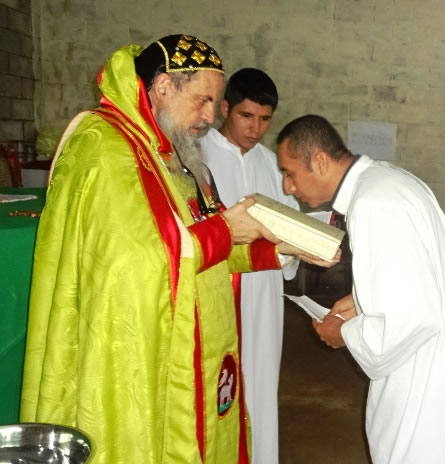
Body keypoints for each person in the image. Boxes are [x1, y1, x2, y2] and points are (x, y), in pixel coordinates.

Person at [20, 35, 335, 463]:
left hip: (190, 338)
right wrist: (225, 229)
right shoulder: (105, 146)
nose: (209, 117)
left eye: (214, 103)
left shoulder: (171, 153)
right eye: (203, 100)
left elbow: (200, 242)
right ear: (165, 86)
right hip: (137, 345)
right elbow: (131, 261)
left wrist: (278, 249)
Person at [277, 115, 445, 464]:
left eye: (290, 173)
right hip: (440, 362)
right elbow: (418, 278)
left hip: (425, 382)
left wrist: (344, 333)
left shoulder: (374, 203)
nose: (287, 187)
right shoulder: (384, 182)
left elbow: (412, 319)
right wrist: (362, 300)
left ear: (319, 161)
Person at [201, 67, 299, 464]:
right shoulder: (195, 156)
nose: (255, 129)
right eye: (246, 116)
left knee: (259, 380)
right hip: (217, 288)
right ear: (225, 108)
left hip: (262, 293)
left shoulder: (272, 164)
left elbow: (291, 224)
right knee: (214, 385)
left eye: (264, 119)